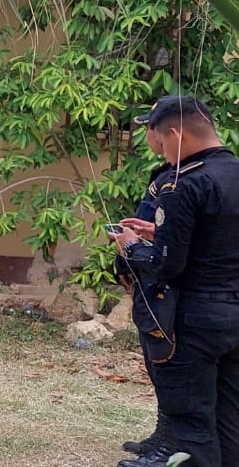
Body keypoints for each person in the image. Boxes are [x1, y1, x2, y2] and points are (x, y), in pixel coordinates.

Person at [110, 95, 239, 467]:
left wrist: (132, 246)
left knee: (191, 428)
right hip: (233, 313)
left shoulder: (183, 183)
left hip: (195, 320)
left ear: (177, 134)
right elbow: (214, 236)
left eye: (162, 141)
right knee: (228, 423)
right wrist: (159, 231)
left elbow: (169, 266)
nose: (162, 152)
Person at [109, 104, 176, 463]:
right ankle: (162, 434)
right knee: (155, 364)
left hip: (165, 281)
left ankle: (170, 445)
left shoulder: (184, 178)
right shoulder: (161, 172)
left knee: (168, 364)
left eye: (149, 128)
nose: (147, 136)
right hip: (145, 279)